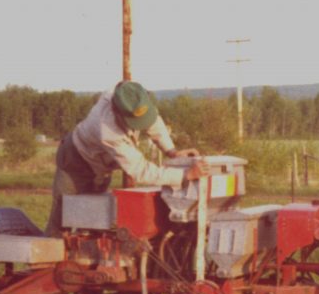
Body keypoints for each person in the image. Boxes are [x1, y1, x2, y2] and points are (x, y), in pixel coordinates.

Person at [44, 80, 208, 236]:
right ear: (118, 114)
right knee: (62, 219)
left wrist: (172, 151)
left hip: (100, 168)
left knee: (94, 222)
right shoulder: (107, 130)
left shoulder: (132, 97)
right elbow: (140, 170)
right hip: (75, 163)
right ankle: (49, 260)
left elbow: (154, 123)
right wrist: (185, 175)